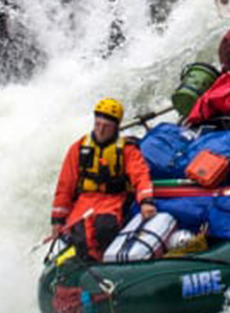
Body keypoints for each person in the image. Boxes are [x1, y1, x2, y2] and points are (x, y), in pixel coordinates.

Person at [51, 98, 156, 260]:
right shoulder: (78, 148)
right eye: (97, 124)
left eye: (106, 127)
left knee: (104, 227)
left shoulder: (126, 150)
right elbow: (65, 186)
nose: (100, 130)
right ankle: (84, 264)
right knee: (78, 230)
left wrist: (146, 201)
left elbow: (140, 176)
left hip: (113, 200)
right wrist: (57, 221)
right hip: (85, 201)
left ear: (115, 128)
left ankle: (102, 263)